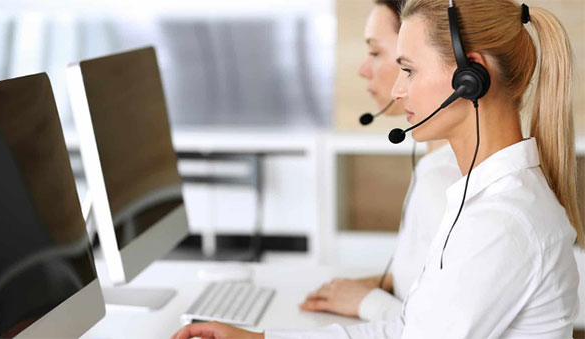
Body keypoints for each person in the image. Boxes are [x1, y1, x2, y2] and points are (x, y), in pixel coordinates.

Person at [172, 0, 583, 337]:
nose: (396, 89)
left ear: (470, 77)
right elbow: (409, 329)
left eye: (409, 69)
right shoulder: (482, 199)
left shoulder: (500, 221)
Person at [299, 0, 460, 322]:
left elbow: (445, 328)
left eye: (376, 52)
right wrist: (377, 285)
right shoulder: (436, 167)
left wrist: (367, 301)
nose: (363, 69)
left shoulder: (449, 184)